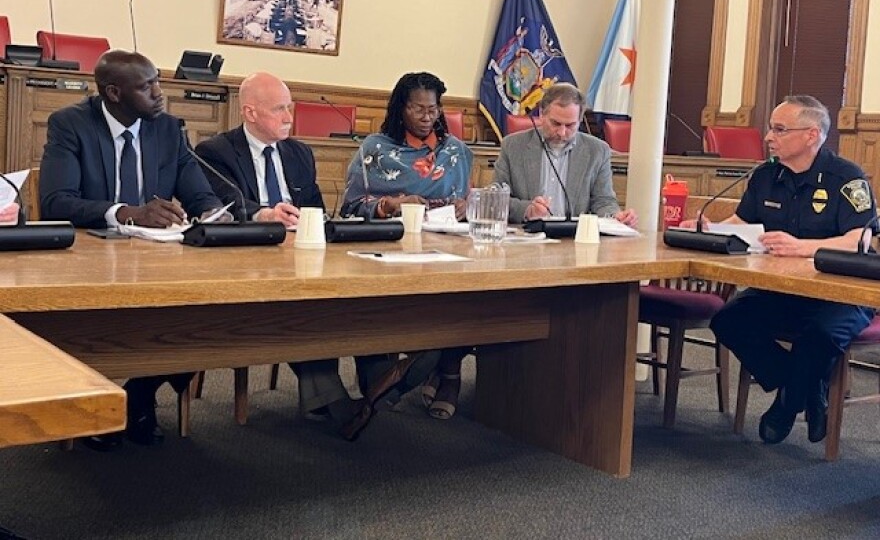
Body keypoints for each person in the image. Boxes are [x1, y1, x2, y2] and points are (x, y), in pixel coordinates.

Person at [194, 71, 408, 440]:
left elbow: (315, 210)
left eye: (290, 108)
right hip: (249, 263)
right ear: (250, 112)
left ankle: (378, 377)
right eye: (279, 109)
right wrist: (262, 214)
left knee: (354, 292)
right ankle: (333, 401)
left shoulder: (299, 152)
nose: (289, 117)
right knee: (301, 311)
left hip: (304, 256)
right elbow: (219, 205)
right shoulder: (216, 152)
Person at [39, 50, 228, 450]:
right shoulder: (71, 125)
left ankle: (138, 394)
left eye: (158, 81)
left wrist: (214, 213)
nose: (160, 94)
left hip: (159, 260)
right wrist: (125, 213)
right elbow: (57, 201)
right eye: (147, 86)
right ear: (113, 93)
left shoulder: (166, 129)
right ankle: (95, 405)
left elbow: (198, 192)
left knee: (208, 313)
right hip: (90, 262)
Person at [682, 95, 876, 446]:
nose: (769, 136)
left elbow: (859, 239)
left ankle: (786, 406)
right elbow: (743, 222)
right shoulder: (767, 174)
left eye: (779, 129)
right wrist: (711, 229)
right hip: (782, 289)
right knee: (728, 320)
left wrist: (802, 247)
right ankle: (802, 389)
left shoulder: (846, 177)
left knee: (820, 334)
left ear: (811, 135)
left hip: (841, 295)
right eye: (770, 127)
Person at [340, 71, 473, 420]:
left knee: (467, 297)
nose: (428, 117)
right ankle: (381, 375)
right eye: (419, 110)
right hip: (389, 251)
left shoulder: (456, 151)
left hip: (446, 250)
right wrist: (389, 205)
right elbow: (351, 207)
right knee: (377, 308)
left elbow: (466, 201)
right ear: (401, 109)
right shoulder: (375, 149)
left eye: (434, 109)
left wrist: (464, 206)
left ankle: (447, 372)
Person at [493, 82, 638, 227]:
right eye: (555, 123)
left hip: (574, 237)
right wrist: (527, 210)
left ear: (579, 120)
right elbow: (496, 198)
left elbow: (603, 201)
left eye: (570, 126)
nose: (562, 133)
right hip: (527, 235)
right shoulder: (512, 146)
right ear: (542, 114)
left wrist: (615, 216)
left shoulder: (597, 151)